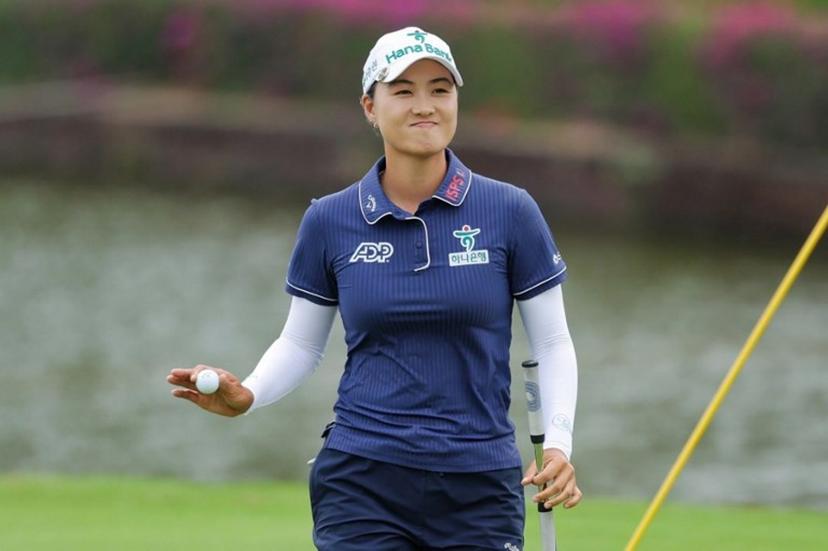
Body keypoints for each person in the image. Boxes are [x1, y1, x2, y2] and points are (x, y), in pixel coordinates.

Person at [167, 26, 581, 550]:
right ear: (369, 106)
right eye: (403, 91)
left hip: (479, 481)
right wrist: (249, 394)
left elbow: (551, 343)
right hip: (364, 478)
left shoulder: (510, 210)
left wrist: (560, 447)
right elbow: (301, 343)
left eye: (440, 89)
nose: (424, 105)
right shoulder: (330, 218)